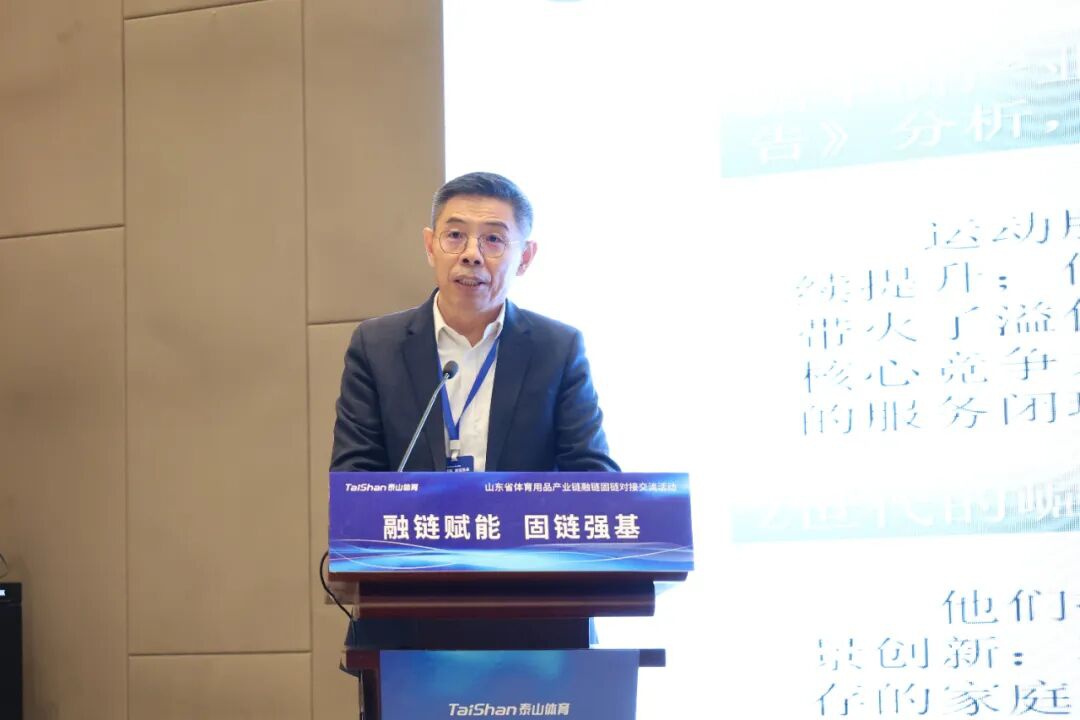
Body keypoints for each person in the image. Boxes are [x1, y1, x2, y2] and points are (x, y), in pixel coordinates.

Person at [331, 171, 618, 473]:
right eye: (455, 235)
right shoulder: (377, 347)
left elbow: (593, 477)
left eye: (493, 239)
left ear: (525, 258)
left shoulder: (558, 350)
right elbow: (353, 476)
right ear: (430, 246)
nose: (471, 255)